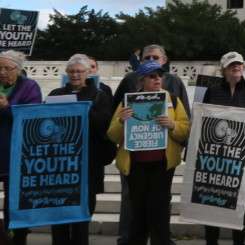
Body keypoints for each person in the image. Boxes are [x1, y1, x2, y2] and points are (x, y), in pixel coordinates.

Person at [108, 60, 191, 245]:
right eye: (152, 76)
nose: (157, 79)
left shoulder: (173, 100)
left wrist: (173, 125)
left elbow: (186, 129)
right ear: (142, 80)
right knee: (138, 212)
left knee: (159, 212)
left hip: (163, 165)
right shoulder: (127, 101)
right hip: (135, 164)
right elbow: (112, 135)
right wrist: (121, 121)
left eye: (159, 76)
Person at [44, 54, 115, 245]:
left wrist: (80, 110)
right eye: (72, 71)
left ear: (88, 73)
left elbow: (104, 124)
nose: (75, 74)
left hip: (87, 164)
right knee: (58, 212)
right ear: (67, 73)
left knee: (82, 214)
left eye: (80, 71)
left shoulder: (100, 95)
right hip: (60, 165)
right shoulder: (55, 95)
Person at [201, 52, 245, 245]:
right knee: (212, 200)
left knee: (239, 203)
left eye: (239, 64)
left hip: (240, 155)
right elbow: (203, 120)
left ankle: (239, 242)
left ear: (243, 67)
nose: (236, 67)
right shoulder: (212, 90)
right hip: (215, 155)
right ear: (224, 69)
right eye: (232, 65)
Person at [0, 50, 42, 245]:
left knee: (15, 202)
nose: (2, 72)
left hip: (17, 154)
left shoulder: (29, 87)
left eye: (7, 68)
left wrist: (7, 108)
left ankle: (18, 238)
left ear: (18, 69)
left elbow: (32, 119)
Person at [113, 44, 190, 116]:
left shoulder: (175, 81)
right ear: (141, 61)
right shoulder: (129, 79)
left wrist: (173, 125)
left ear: (164, 60)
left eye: (155, 57)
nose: (151, 60)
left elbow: (185, 114)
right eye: (147, 58)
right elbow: (115, 110)